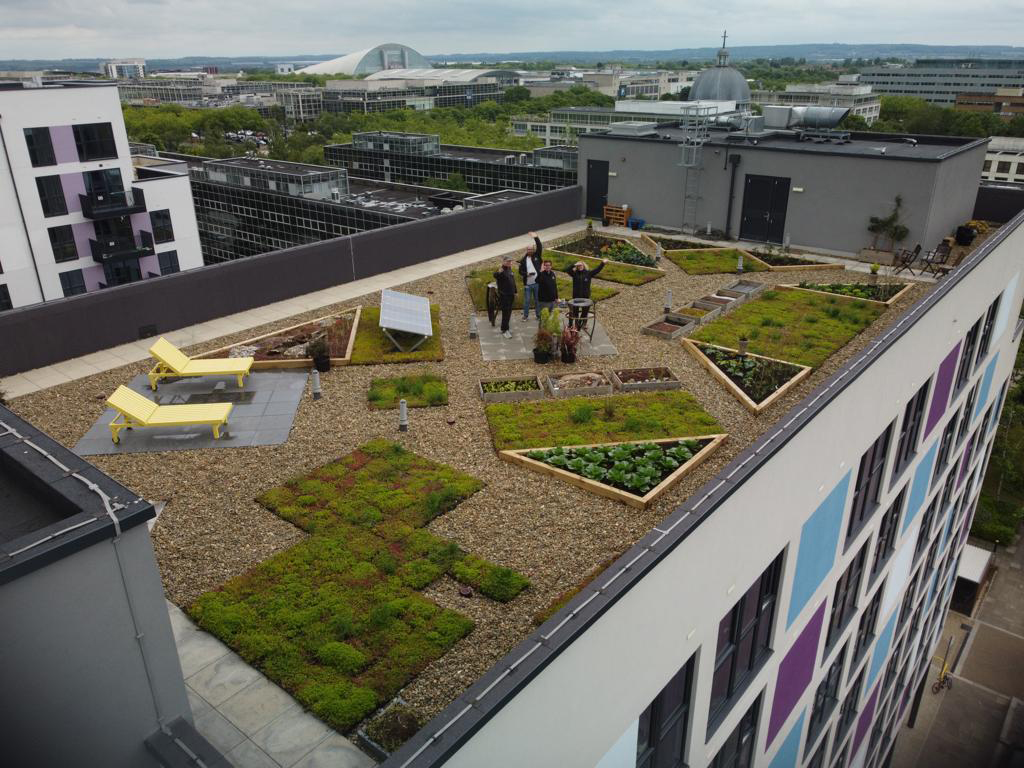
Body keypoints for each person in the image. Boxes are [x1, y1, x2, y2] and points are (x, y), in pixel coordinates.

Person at [565, 259, 606, 330]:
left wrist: (602, 263)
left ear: (584, 266)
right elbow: (567, 270)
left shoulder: (588, 273)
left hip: (586, 297)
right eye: (578, 266)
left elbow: (597, 270)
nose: (580, 266)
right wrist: (574, 264)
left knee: (584, 312)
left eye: (581, 265)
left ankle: (580, 324)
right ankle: (576, 325)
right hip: (576, 297)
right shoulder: (574, 273)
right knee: (575, 312)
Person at [518, 232, 543, 321]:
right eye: (529, 249)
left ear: (533, 250)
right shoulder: (523, 260)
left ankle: (538, 315)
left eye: (531, 249)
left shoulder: (537, 256)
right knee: (527, 301)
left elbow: (539, 246)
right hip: (528, 285)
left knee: (537, 300)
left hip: (537, 283)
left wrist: (536, 237)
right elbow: (520, 272)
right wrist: (526, 274)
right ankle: (525, 316)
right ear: (526, 250)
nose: (530, 251)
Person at [493, 256, 517, 338]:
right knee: (505, 312)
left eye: (510, 261)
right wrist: (499, 272)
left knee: (509, 312)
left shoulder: (510, 269)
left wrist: (515, 291)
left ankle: (507, 327)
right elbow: (495, 275)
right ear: (503, 262)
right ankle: (504, 329)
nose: (509, 263)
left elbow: (513, 282)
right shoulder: (502, 269)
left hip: (511, 295)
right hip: (504, 295)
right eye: (507, 261)